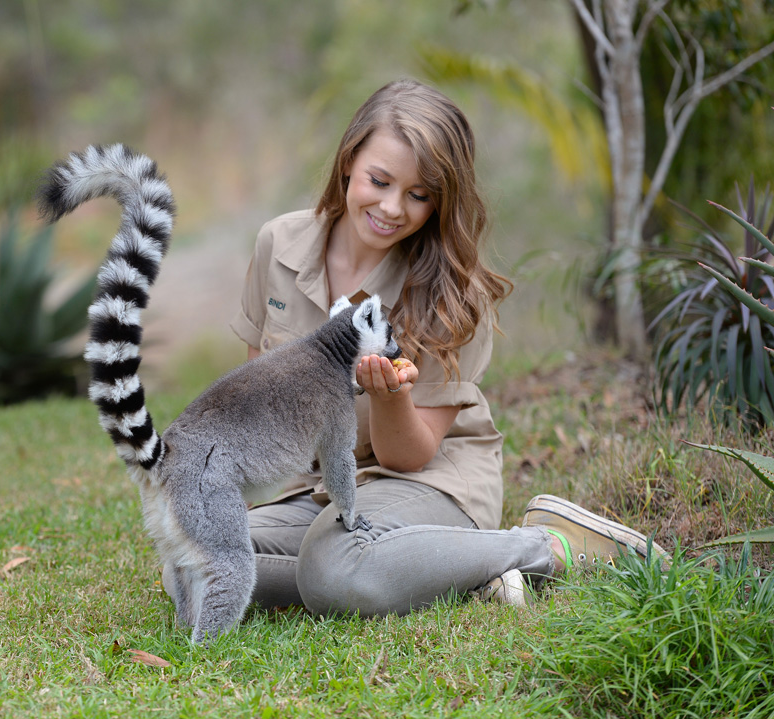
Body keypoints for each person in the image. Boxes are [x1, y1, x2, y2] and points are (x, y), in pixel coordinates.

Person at [228, 78, 665, 613]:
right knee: (199, 558)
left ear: (441, 200)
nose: (392, 208)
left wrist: (389, 396)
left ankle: (545, 547)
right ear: (348, 162)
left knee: (332, 567)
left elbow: (407, 457)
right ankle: (446, 570)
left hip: (429, 481)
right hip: (325, 488)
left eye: (419, 195)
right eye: (379, 180)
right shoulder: (279, 244)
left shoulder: (454, 291)